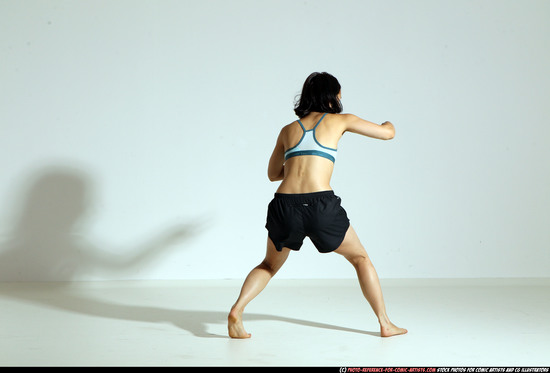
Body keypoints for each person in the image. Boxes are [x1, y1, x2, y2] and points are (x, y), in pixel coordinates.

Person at [228, 72, 407, 338]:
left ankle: (237, 311)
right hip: (320, 204)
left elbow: (273, 174)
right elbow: (387, 134)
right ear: (332, 96)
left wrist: (299, 163)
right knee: (360, 259)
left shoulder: (288, 130)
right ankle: (385, 323)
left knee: (268, 265)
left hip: (284, 204)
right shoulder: (340, 121)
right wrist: (388, 122)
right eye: (339, 94)